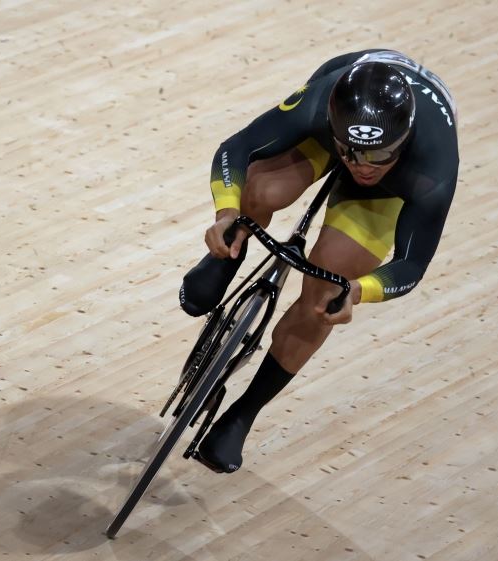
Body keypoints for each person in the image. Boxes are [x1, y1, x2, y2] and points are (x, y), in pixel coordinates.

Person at [179, 49, 459, 473]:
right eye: (353, 154)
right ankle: (224, 256)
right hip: (329, 128)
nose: (363, 168)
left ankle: (242, 415)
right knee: (261, 193)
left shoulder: (435, 162)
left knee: (326, 295)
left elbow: (412, 264)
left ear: (404, 143)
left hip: (392, 186)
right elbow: (236, 147)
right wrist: (226, 213)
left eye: (379, 156)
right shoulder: (320, 99)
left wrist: (358, 291)